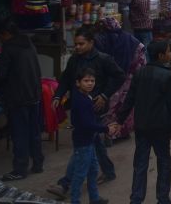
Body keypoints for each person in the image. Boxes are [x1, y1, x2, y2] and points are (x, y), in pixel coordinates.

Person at [48, 28, 125, 200]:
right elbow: (66, 79)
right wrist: (58, 95)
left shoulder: (103, 59)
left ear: (91, 43)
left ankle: (65, 183)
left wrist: (105, 95)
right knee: (91, 143)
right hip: (79, 106)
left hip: (95, 108)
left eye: (81, 44)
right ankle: (107, 173)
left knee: (83, 146)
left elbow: (119, 76)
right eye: (76, 44)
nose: (77, 47)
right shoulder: (75, 59)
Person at [115, 41, 171, 204]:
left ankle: (136, 199)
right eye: (168, 51)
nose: (170, 54)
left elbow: (129, 99)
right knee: (164, 161)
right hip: (161, 127)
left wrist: (119, 119)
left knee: (140, 163)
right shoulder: (167, 75)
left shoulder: (139, 73)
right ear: (161, 56)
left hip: (142, 126)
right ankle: (163, 198)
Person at [0, 18, 43, 181]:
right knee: (34, 131)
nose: (0, 40)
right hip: (34, 94)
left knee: (19, 134)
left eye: (0, 37)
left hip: (18, 97)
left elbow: (0, 76)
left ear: (5, 34)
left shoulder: (9, 47)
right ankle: (38, 163)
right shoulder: (29, 44)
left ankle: (20, 169)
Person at [95, 17, 146, 139]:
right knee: (124, 103)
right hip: (129, 76)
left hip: (123, 76)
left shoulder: (108, 39)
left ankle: (113, 133)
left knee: (115, 103)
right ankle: (121, 130)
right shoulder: (126, 38)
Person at [68, 68, 110, 204]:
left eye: (92, 81)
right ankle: (75, 201)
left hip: (89, 140)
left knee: (93, 170)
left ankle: (94, 198)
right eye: (86, 81)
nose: (90, 83)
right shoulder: (81, 100)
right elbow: (87, 124)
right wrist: (106, 128)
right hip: (83, 142)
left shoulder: (86, 97)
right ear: (78, 83)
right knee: (80, 174)